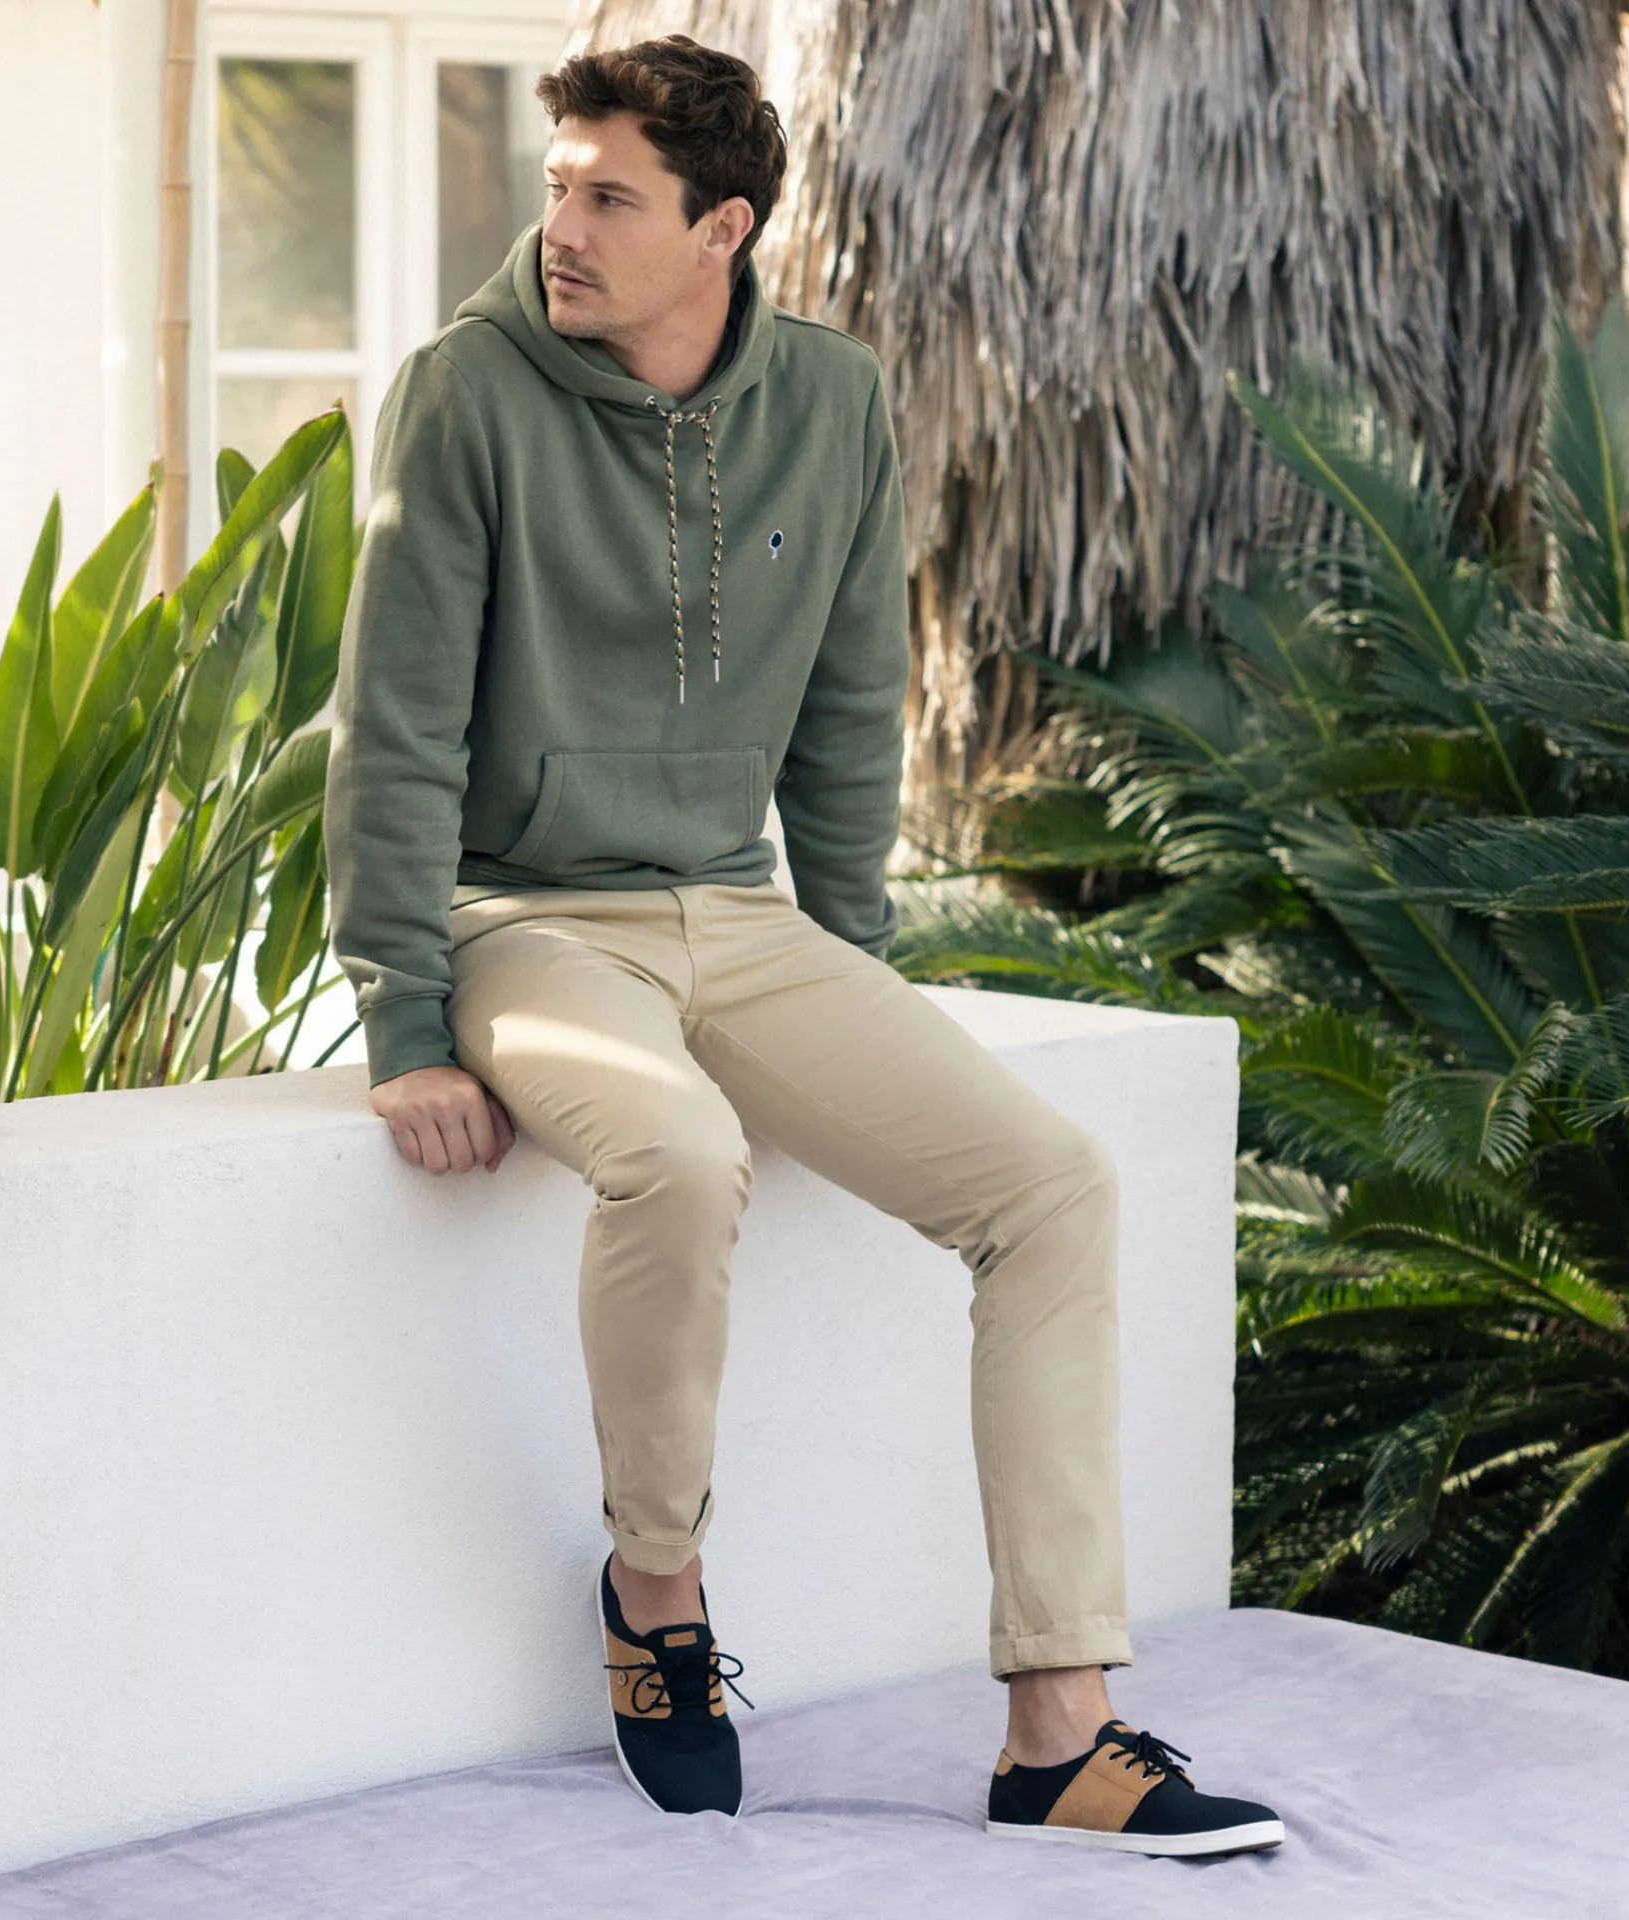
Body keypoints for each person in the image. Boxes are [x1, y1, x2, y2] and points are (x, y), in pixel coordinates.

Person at [323, 32, 1282, 1856]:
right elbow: (398, 728)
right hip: (529, 915)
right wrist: (406, 1019)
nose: (562, 228)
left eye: (612, 198)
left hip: (742, 916)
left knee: (1054, 1186)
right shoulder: (465, 396)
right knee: (680, 1156)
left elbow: (851, 713)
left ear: (724, 229)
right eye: (558, 185)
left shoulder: (832, 401)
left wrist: (853, 970)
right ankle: (657, 1594)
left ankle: (1057, 1730)